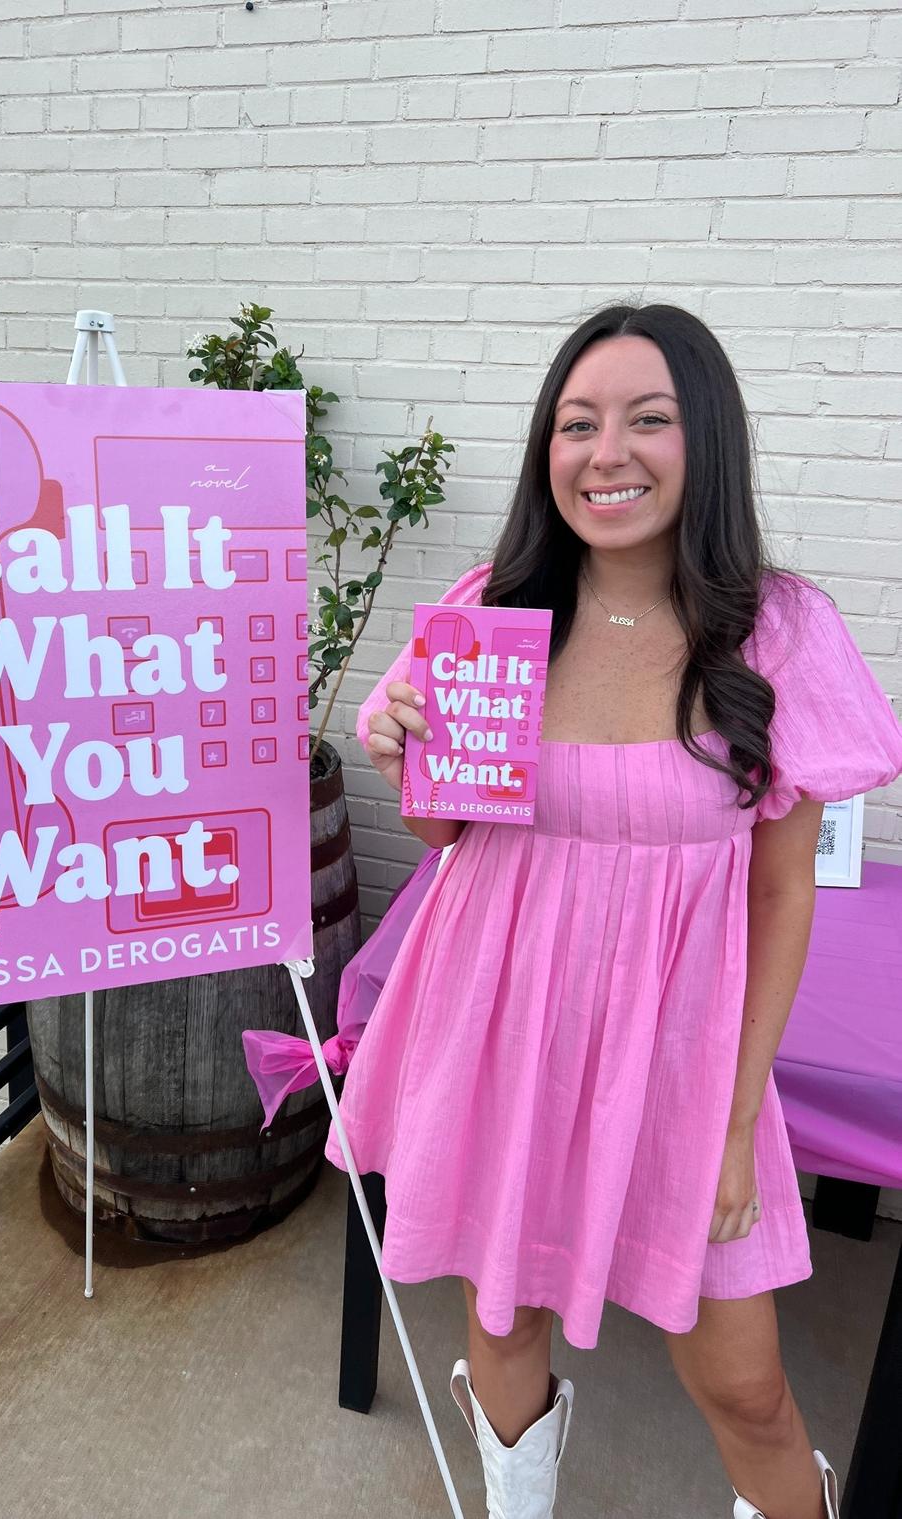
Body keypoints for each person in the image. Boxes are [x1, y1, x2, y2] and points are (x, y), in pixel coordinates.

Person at [323, 303, 902, 1519]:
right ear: (549, 449)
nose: (608, 453)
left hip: (682, 1060)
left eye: (650, 419)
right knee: (504, 1318)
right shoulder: (497, 607)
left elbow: (782, 886)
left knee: (744, 1383)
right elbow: (454, 839)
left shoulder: (777, 630)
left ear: (709, 443)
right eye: (578, 424)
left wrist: (738, 1118)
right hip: (495, 1029)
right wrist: (400, 757)